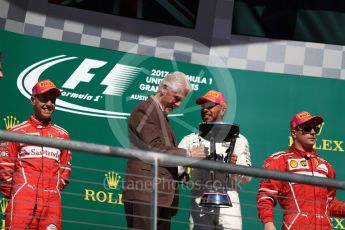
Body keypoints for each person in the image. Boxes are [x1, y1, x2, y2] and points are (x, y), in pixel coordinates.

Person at [123, 71, 205, 230]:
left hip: (160, 195)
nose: (178, 104)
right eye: (176, 98)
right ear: (164, 89)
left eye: (181, 100)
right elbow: (154, 148)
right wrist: (188, 154)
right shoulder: (144, 111)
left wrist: (181, 173)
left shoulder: (158, 114)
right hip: (145, 193)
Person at [0, 79, 72, 229]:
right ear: (33, 100)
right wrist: (19, 193)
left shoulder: (63, 135)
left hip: (51, 204)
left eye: (53, 100)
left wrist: (51, 191)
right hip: (22, 202)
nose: (49, 104)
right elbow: (4, 170)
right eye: (44, 99)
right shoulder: (16, 132)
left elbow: (65, 172)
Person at [257, 111, 345, 230]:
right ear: (294, 133)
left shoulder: (325, 166)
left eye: (315, 129)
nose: (313, 132)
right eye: (307, 128)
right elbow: (266, 195)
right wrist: (268, 221)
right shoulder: (280, 160)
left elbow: (329, 204)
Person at [178, 90, 252, 230]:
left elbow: (246, 179)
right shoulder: (191, 139)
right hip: (200, 198)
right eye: (203, 107)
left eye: (210, 106)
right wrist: (190, 178)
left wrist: (234, 168)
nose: (205, 109)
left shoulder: (239, 140)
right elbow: (176, 169)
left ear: (223, 110)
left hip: (229, 199)